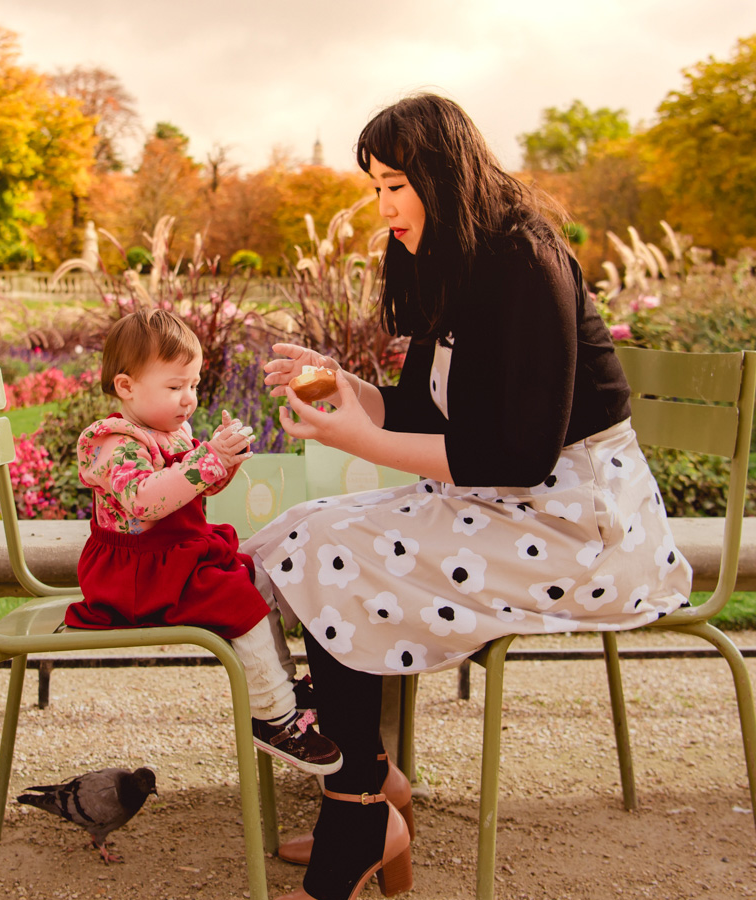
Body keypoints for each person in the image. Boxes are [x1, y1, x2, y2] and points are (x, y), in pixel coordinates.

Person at [241, 93, 693, 900]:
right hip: (507, 504)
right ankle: (373, 788)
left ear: (442, 177)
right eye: (375, 188)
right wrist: (347, 390)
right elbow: (423, 411)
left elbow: (520, 453)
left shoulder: (526, 260)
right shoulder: (441, 257)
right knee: (296, 535)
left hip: (581, 525)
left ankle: (359, 813)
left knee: (334, 550)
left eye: (396, 186)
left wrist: (360, 441)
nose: (384, 209)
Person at [65, 308, 341, 776]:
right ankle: (274, 718)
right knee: (237, 597)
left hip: (173, 559)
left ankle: (282, 686)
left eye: (193, 385)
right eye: (175, 387)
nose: (188, 399)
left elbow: (195, 487)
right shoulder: (114, 443)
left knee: (254, 575)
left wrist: (222, 460)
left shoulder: (169, 430)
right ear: (126, 387)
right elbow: (145, 502)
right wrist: (205, 461)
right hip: (136, 575)